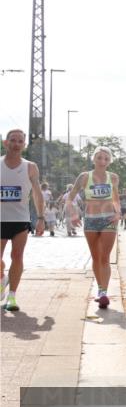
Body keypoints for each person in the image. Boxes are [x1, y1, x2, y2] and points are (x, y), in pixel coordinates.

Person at [67, 146, 120, 309]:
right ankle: (100, 288)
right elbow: (69, 199)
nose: (102, 161)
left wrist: (118, 213)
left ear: (110, 161)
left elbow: (116, 198)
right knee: (96, 257)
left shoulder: (113, 177)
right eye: (99, 158)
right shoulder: (84, 177)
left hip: (108, 219)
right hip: (90, 220)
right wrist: (73, 214)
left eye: (106, 158)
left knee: (105, 257)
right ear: (94, 159)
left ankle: (104, 293)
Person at [1, 130, 46, 312]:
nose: (16, 144)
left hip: (20, 220)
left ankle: (12, 296)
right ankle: (2, 278)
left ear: (24, 145)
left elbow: (37, 193)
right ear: (5, 143)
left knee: (17, 256)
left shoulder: (30, 167)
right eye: (13, 140)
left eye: (20, 141)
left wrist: (41, 218)